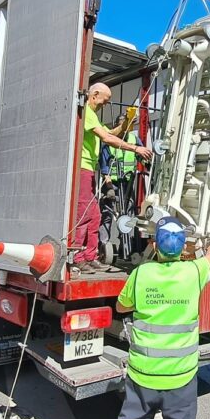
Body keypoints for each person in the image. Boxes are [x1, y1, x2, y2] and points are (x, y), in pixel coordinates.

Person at [108, 218, 210, 419]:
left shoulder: (141, 273)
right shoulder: (192, 272)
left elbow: (121, 307)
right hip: (181, 381)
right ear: (183, 248)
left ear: (155, 245)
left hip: (142, 379)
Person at [74, 83, 151, 275]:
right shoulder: (87, 113)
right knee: (84, 214)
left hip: (91, 170)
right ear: (95, 94)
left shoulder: (93, 116)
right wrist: (135, 148)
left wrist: (126, 124)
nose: (105, 104)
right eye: (105, 100)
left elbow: (110, 134)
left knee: (95, 216)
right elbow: (107, 140)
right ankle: (77, 259)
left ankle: (90, 257)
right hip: (83, 168)